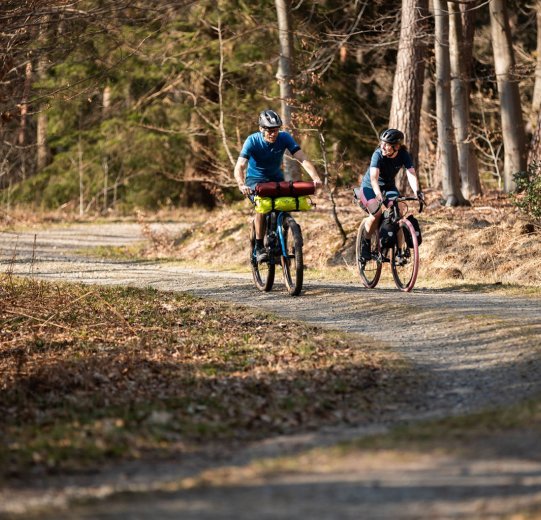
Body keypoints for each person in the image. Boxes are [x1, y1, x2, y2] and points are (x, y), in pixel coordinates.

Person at [234, 109, 322, 262]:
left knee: (284, 205)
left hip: (275, 179)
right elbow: (240, 166)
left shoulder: (285, 137)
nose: (273, 134)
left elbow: (302, 158)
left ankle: (279, 238)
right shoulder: (252, 141)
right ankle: (259, 246)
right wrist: (241, 184)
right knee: (262, 207)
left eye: (275, 130)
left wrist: (316, 178)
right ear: (261, 129)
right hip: (254, 181)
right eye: (269, 130)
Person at [358, 128, 424, 260]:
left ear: (396, 147)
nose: (382, 146)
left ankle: (399, 252)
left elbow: (411, 174)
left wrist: (418, 191)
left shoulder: (404, 154)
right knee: (376, 213)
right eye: (382, 143)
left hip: (388, 187)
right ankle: (365, 243)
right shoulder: (378, 154)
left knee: (398, 212)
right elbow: (373, 179)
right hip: (370, 187)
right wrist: (378, 195)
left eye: (386, 145)